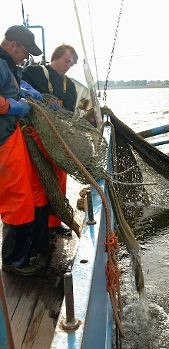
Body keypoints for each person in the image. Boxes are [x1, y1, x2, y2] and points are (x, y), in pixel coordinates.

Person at [0, 25, 49, 276]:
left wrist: (27, 94)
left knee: (28, 192)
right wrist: (17, 108)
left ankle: (28, 249)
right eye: (25, 51)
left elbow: (11, 90)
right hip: (2, 141)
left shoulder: (8, 66)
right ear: (11, 44)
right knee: (16, 198)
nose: (26, 57)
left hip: (10, 136)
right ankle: (13, 262)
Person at [22, 44, 79, 236]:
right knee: (36, 182)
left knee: (59, 180)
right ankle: (37, 228)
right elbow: (18, 87)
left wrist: (58, 109)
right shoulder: (34, 72)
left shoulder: (69, 85)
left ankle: (54, 224)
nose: (68, 65)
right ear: (56, 56)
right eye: (66, 61)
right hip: (33, 136)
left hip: (57, 139)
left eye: (71, 64)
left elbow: (70, 111)